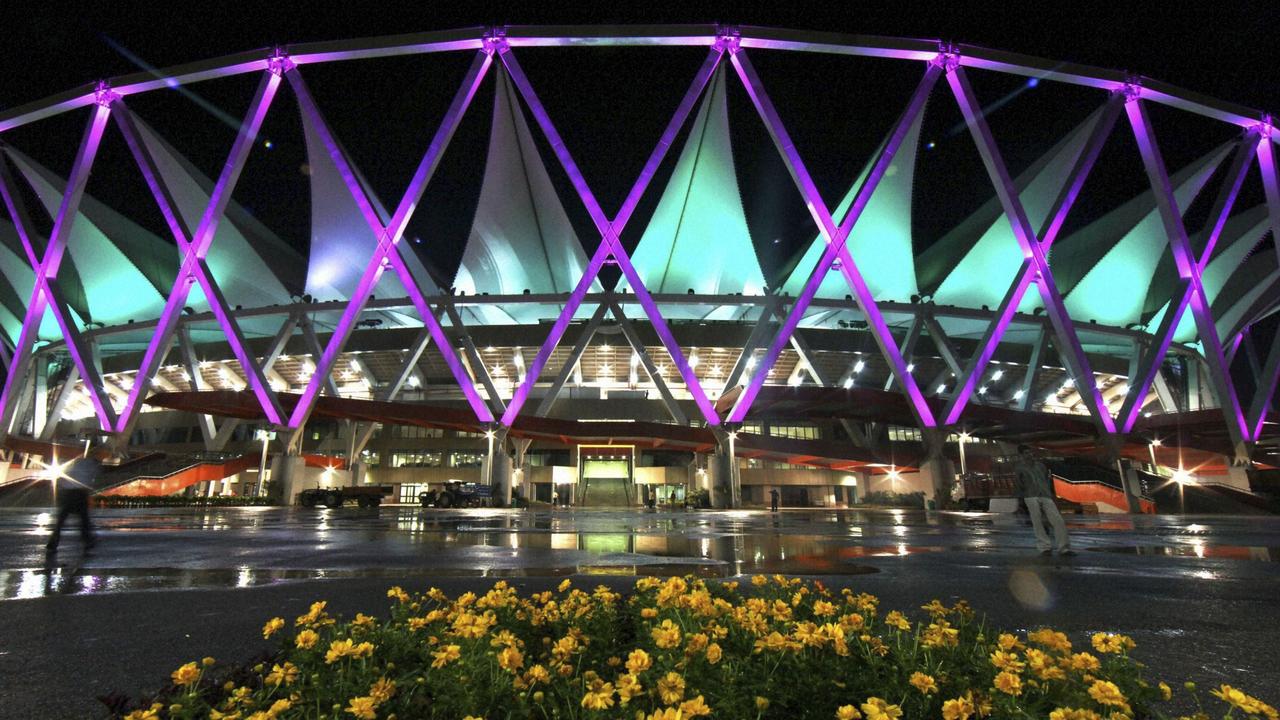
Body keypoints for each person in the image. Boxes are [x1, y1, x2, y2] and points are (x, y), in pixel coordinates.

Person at [1013, 445, 1073, 556]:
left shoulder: (1041, 466)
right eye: (1026, 453)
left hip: (1045, 495)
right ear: (1021, 455)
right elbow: (1019, 485)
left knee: (1058, 521)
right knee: (1037, 522)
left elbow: (1047, 480)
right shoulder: (1019, 468)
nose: (1029, 455)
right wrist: (1020, 501)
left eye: (1030, 452)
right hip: (1030, 496)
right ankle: (1045, 547)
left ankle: (1064, 548)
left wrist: (1052, 494)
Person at [46, 453, 102, 553]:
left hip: (68, 493)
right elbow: (94, 476)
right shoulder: (91, 463)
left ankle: (53, 542)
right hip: (81, 493)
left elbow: (63, 477)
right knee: (83, 519)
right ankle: (87, 540)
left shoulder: (73, 461)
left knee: (61, 519)